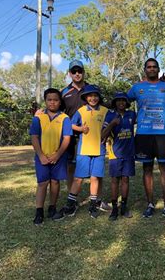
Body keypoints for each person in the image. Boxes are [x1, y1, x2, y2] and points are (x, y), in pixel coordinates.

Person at [127, 58, 165, 221]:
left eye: (154, 67)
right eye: (149, 67)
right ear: (145, 69)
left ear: (158, 69)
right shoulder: (137, 87)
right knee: (147, 170)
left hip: (163, 134)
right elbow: (121, 102)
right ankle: (150, 205)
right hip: (143, 134)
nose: (152, 69)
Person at [60, 60, 110, 211]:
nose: (77, 74)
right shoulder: (64, 92)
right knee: (72, 168)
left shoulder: (91, 89)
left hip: (93, 138)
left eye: (79, 71)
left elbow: (106, 111)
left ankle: (97, 200)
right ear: (69, 73)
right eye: (73, 71)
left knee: (97, 173)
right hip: (72, 135)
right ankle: (72, 200)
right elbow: (56, 108)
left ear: (83, 72)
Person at [54, 85, 108, 219]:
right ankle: (70, 204)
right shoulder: (81, 110)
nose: (93, 98)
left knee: (95, 177)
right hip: (83, 150)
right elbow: (70, 125)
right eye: (90, 96)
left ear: (99, 97)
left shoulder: (105, 111)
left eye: (96, 95)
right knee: (78, 178)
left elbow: (113, 122)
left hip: (99, 150)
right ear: (85, 98)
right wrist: (80, 129)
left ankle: (93, 204)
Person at [29, 88, 72, 225]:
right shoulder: (38, 118)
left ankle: (52, 207)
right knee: (42, 183)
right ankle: (39, 211)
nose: (52, 102)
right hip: (42, 157)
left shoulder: (64, 118)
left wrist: (57, 155)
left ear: (60, 102)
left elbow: (66, 139)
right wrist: (41, 155)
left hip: (58, 157)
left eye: (55, 100)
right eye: (49, 100)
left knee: (55, 182)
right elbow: (34, 137)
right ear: (45, 101)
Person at [101, 92, 137, 221]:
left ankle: (124, 206)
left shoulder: (132, 114)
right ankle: (114, 208)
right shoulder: (110, 115)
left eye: (123, 100)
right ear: (115, 102)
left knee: (125, 179)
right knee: (115, 180)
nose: (121, 103)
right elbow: (102, 135)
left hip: (129, 153)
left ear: (127, 102)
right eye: (118, 100)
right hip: (114, 153)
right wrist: (112, 124)